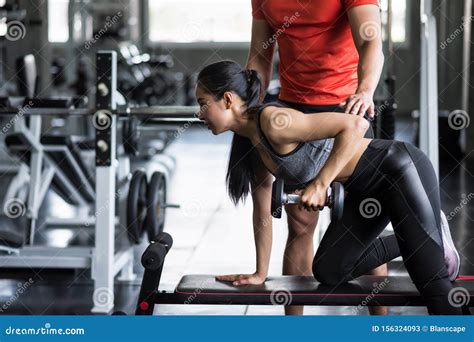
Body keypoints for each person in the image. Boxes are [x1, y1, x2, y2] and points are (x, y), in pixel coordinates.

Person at [196, 60, 462, 315]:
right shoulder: (252, 145)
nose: (199, 114)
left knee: (433, 284)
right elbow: (262, 213)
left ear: (228, 99)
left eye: (203, 104)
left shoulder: (273, 121)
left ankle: (428, 236)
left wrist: (320, 184)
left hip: (399, 169)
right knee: (330, 269)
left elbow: (356, 124)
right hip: (365, 193)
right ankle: (424, 236)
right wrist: (259, 273)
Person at [247, 0, 387, 315]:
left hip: (348, 110)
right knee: (299, 224)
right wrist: (249, 110)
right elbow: (260, 53)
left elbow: (369, 40)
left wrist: (365, 90)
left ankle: (379, 327)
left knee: (363, 227)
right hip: (293, 110)